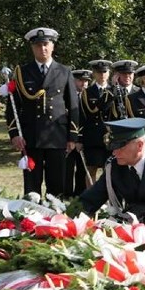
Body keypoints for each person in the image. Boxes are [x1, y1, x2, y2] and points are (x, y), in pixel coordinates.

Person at [5, 27, 80, 197]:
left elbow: (73, 106)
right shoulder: (22, 72)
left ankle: (56, 221)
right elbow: (13, 106)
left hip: (57, 136)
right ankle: (31, 220)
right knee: (32, 188)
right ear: (32, 48)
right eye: (38, 45)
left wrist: (72, 137)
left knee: (56, 186)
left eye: (46, 44)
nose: (42, 49)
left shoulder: (64, 71)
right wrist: (14, 134)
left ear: (53, 46)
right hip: (31, 136)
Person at [81, 59, 113, 182]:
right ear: (94, 73)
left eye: (105, 72)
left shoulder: (114, 91)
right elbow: (84, 115)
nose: (102, 75)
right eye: (99, 72)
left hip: (110, 136)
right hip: (93, 136)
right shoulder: (87, 92)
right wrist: (80, 138)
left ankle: (109, 199)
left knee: (109, 171)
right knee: (91, 170)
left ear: (109, 73)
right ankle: (91, 199)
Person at [65, 69, 93, 198]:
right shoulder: (66, 97)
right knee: (67, 169)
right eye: (81, 80)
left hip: (85, 139)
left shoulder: (89, 97)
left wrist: (80, 139)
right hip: (68, 139)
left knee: (82, 170)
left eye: (86, 81)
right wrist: (72, 138)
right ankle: (66, 195)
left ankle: (80, 195)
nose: (84, 84)